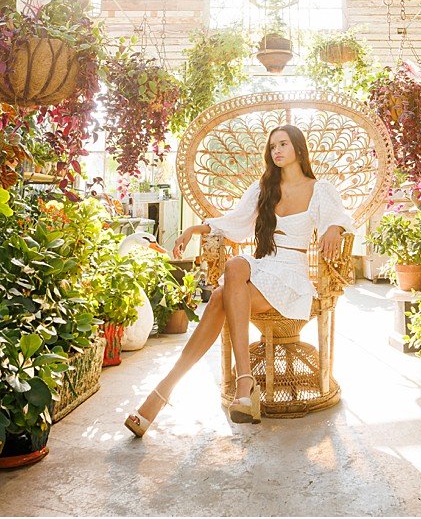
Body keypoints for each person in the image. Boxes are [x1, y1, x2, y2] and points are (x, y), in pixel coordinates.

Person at [124, 123, 354, 435]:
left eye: (283, 144)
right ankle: (244, 382)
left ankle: (163, 392)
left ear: (299, 149)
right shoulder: (263, 189)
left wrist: (333, 228)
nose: (277, 151)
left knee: (220, 297)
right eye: (273, 147)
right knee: (235, 265)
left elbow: (340, 218)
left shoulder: (320, 189)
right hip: (262, 265)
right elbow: (234, 222)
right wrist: (196, 229)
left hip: (291, 275)